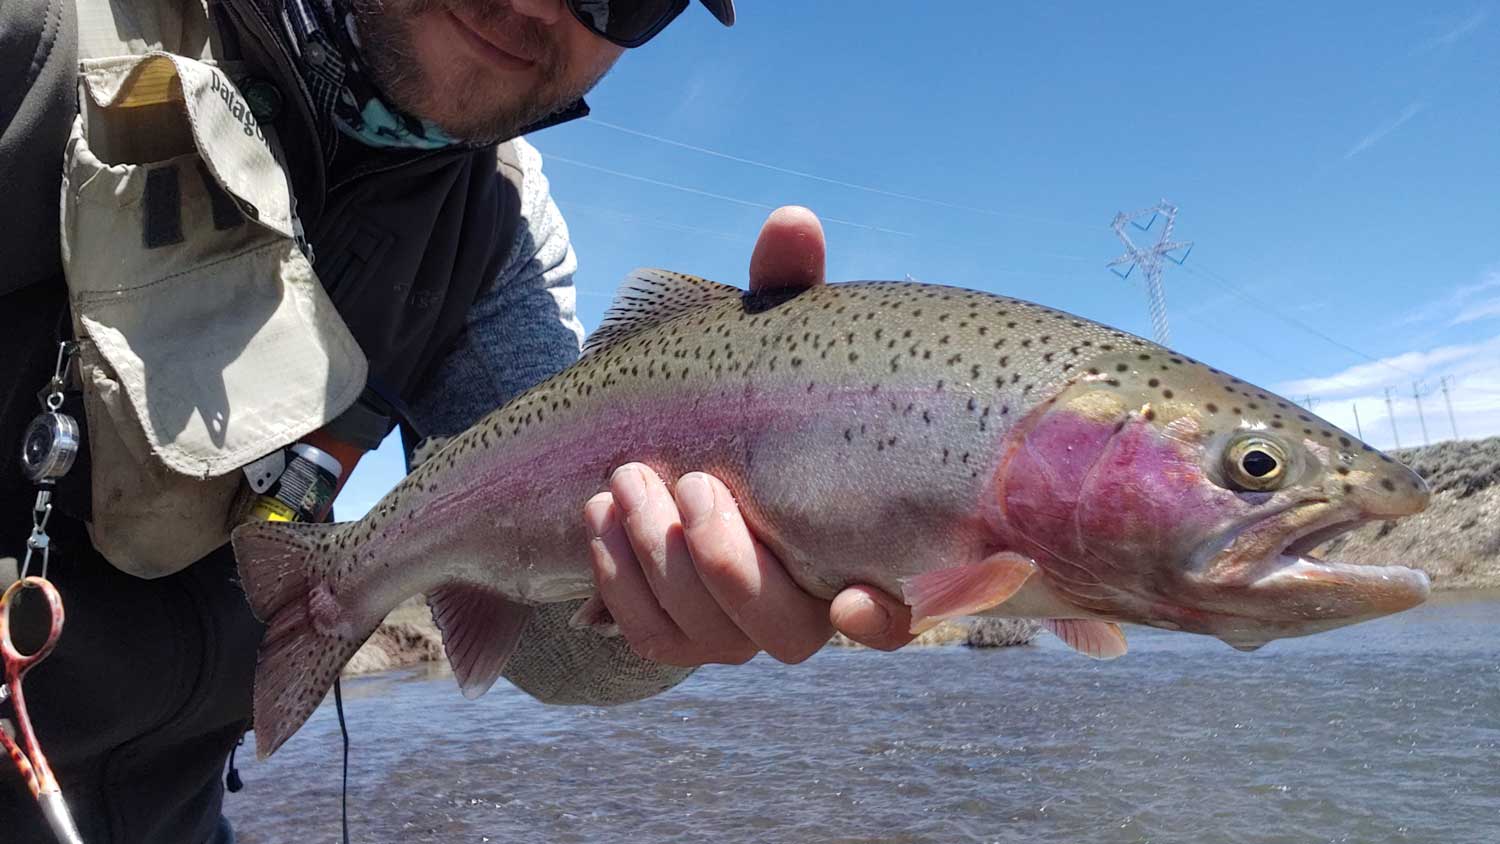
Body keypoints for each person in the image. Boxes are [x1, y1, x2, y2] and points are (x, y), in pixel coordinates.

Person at [0, 1, 914, 840]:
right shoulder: (39, 35)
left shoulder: (503, 230)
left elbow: (552, 649)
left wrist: (665, 610)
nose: (534, 3)